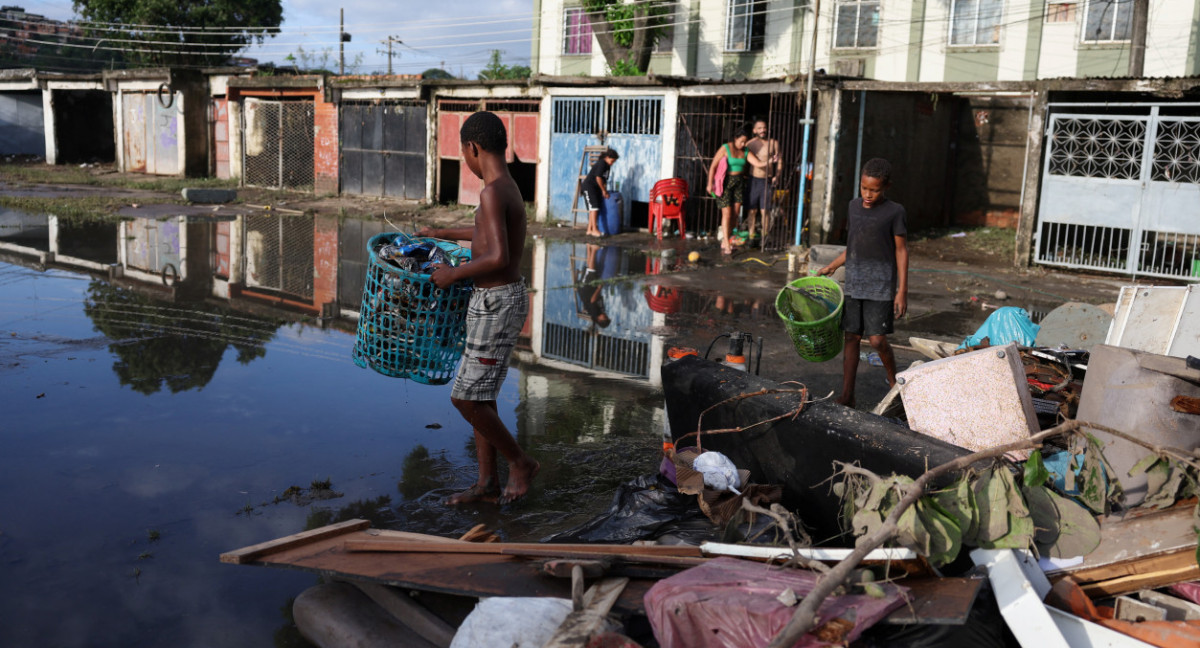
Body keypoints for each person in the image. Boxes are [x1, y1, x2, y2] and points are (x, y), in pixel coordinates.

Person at [417, 111, 539, 505]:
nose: (465, 160)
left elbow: (500, 256)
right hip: (493, 301)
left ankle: (520, 463)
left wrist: (453, 274)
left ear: (472, 148)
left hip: (497, 302)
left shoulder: (491, 191)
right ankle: (486, 482)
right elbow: (483, 232)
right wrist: (438, 233)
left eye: (463, 153)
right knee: (480, 396)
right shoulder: (504, 186)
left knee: (465, 398)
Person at [817, 158, 909, 409]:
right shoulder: (853, 206)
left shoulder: (895, 211)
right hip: (855, 282)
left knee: (878, 340)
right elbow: (854, 245)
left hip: (880, 284)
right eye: (864, 188)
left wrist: (902, 290)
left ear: (886, 186)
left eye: (875, 190)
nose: (868, 194)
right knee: (851, 338)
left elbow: (901, 251)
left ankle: (895, 384)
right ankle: (848, 395)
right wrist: (833, 265)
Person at [706, 126, 773, 256]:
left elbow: (758, 163)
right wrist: (710, 183)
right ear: (735, 138)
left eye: (745, 142)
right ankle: (726, 243)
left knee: (735, 214)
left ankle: (727, 239)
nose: (743, 144)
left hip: (739, 183)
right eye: (741, 141)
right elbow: (713, 165)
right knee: (727, 213)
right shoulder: (726, 148)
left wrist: (770, 161)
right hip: (725, 182)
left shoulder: (746, 151)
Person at [745, 118, 782, 243]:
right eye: (759, 128)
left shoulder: (773, 143)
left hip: (767, 180)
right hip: (753, 179)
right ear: (754, 130)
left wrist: (777, 175)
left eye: (764, 128)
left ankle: (764, 236)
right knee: (752, 210)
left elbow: (780, 161)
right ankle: (751, 236)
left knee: (764, 210)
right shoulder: (750, 144)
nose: (763, 130)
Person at [582, 148, 619, 238]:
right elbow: (598, 178)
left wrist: (603, 189)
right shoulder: (602, 163)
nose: (612, 163)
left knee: (593, 208)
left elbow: (604, 179)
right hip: (589, 187)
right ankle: (595, 230)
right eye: (612, 160)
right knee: (594, 207)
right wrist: (604, 190)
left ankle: (589, 230)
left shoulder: (607, 166)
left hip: (595, 188)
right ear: (607, 157)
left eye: (614, 161)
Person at [576, 243, 614, 328]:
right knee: (590, 269)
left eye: (605, 318)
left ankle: (594, 249)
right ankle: (589, 246)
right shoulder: (599, 312)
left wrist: (599, 288)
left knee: (591, 270)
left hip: (585, 288)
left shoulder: (595, 312)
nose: (606, 316)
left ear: (599, 319)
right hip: (588, 289)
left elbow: (593, 300)